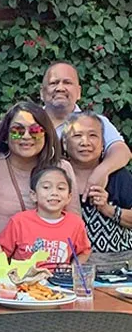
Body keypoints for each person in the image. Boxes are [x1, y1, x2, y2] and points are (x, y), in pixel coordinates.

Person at [0, 102, 81, 258]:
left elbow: (74, 223)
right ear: (6, 135)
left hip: (49, 265)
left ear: (46, 134)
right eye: (17, 130)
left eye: (35, 130)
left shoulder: (61, 168)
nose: (26, 136)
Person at [40, 61, 131, 199]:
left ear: (79, 92)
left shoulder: (96, 122)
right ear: (42, 92)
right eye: (53, 83)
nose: (60, 88)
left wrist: (101, 172)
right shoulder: (30, 123)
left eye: (67, 82)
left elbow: (122, 151)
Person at [63, 112, 132, 268]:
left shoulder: (118, 176)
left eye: (93, 135)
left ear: (103, 144)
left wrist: (107, 209)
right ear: (65, 143)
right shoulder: (56, 176)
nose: (85, 142)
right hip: (68, 268)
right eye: (77, 135)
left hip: (119, 267)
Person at [0, 166, 91, 266]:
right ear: (33, 195)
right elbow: (1, 253)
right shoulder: (19, 221)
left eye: (61, 188)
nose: (54, 193)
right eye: (46, 187)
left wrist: (73, 267)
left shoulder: (75, 223)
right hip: (25, 276)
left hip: (60, 275)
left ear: (69, 197)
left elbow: (84, 252)